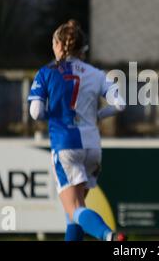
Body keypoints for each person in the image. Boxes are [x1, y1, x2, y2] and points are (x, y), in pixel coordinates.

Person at [28, 19, 127, 241]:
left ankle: (108, 236)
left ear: (57, 45)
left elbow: (35, 112)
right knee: (73, 213)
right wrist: (98, 116)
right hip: (92, 147)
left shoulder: (46, 73)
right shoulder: (96, 74)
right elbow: (120, 104)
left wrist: (51, 115)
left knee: (74, 209)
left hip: (66, 145)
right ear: (83, 49)